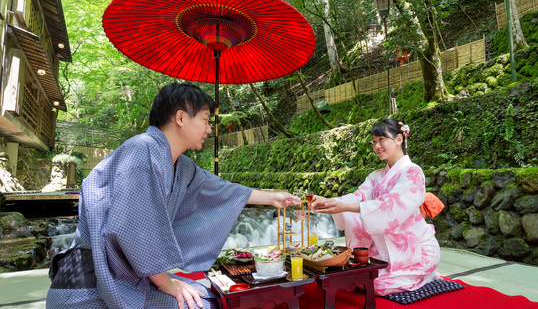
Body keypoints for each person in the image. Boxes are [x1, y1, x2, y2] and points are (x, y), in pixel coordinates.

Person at [46, 82, 300, 309]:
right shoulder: (142, 149)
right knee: (203, 303)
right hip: (88, 290)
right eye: (205, 119)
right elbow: (133, 226)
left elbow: (220, 189)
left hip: (124, 277)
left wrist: (271, 197)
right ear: (181, 117)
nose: (209, 129)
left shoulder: (182, 165)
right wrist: (166, 283)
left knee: (214, 294)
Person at [311, 118, 441, 296]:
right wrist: (329, 201)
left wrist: (344, 207)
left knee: (375, 286)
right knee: (358, 280)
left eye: (382, 140)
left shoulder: (413, 172)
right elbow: (358, 197)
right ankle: (407, 275)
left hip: (416, 249)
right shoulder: (376, 176)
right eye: (374, 142)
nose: (377, 146)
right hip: (385, 249)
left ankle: (426, 275)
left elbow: (390, 205)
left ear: (399, 139)